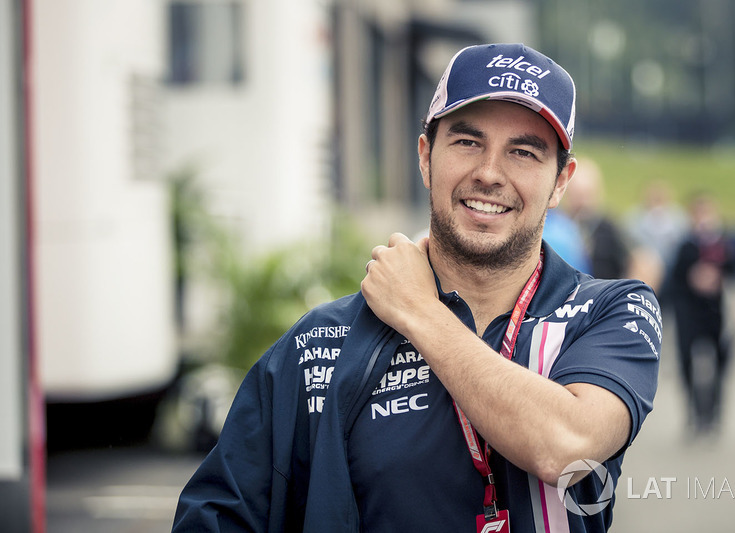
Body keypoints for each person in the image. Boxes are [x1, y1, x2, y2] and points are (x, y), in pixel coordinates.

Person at [172, 43, 661, 532]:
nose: (489, 173)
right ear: (426, 157)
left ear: (560, 181)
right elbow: (216, 518)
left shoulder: (611, 312)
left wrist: (418, 311)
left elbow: (566, 444)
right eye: (468, 142)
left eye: (523, 152)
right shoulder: (320, 345)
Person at [664, 193, 735, 436]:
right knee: (686, 360)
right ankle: (692, 413)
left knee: (720, 362)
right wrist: (692, 279)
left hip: (717, 312)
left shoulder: (725, 244)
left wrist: (718, 279)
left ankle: (714, 412)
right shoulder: (685, 245)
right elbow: (673, 280)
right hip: (689, 312)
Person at [560, 157, 630, 279]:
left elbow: (639, 262)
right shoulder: (555, 225)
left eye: (586, 194)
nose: (582, 202)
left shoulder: (609, 229)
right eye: (577, 194)